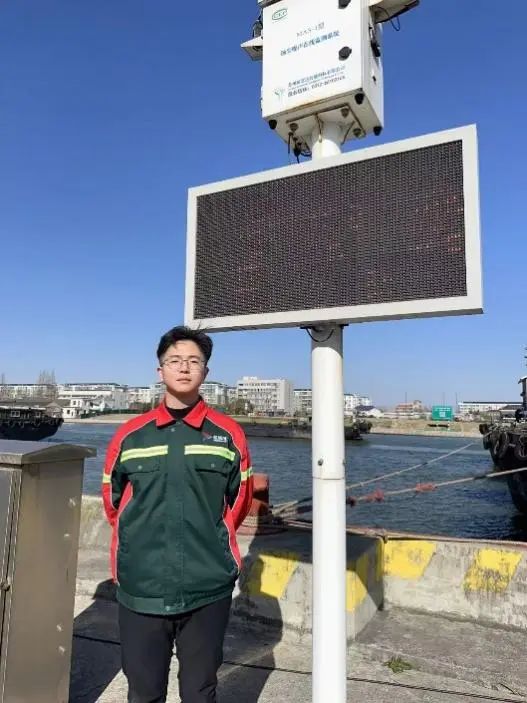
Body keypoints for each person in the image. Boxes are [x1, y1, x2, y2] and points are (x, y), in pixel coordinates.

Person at [102, 326, 253, 703]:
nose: (184, 368)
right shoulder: (131, 435)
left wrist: (208, 541)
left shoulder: (228, 434)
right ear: (160, 371)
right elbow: (113, 502)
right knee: (143, 692)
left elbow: (239, 502)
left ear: (206, 371)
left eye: (193, 361)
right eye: (174, 360)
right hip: (141, 587)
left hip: (207, 588)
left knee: (200, 692)